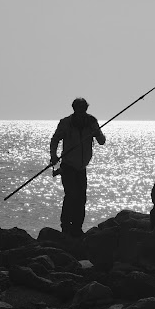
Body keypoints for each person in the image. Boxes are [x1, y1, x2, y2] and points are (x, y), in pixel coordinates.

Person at [50, 97, 106, 237]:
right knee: (71, 195)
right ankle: (66, 226)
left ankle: (77, 227)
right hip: (68, 165)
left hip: (82, 167)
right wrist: (53, 156)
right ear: (74, 108)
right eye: (79, 109)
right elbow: (55, 139)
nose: (81, 112)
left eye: (83, 109)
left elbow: (102, 141)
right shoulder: (66, 123)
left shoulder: (92, 122)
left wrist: (96, 131)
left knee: (81, 198)